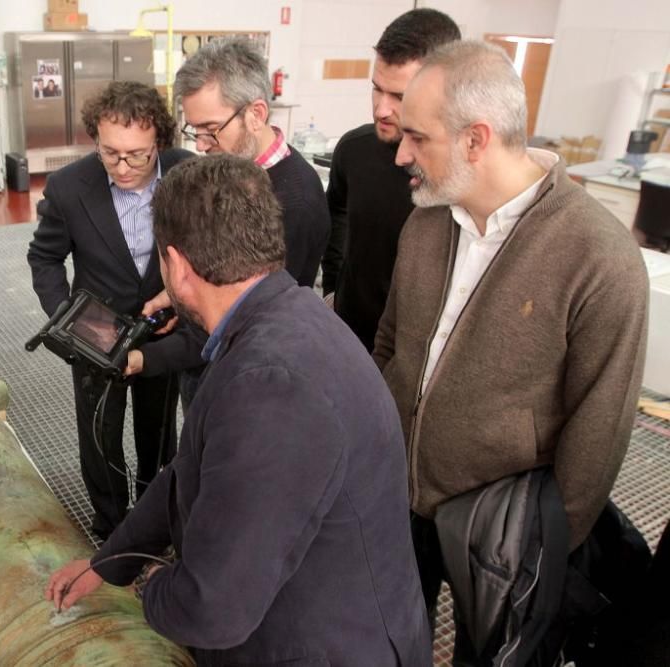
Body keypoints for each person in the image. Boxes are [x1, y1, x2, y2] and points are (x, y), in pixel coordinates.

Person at [46, 154, 430, 666]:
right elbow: (191, 471)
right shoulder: (284, 316)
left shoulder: (273, 386)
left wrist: (154, 588)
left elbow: (214, 609)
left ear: (177, 267)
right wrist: (109, 561)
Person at [373, 40, 648, 656]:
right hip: (399, 499)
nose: (401, 154)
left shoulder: (597, 257)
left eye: (418, 137)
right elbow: (391, 343)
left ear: (476, 139)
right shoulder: (424, 223)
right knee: (389, 640)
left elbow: (599, 433)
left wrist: (539, 553)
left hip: (498, 534)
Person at [27, 81, 191, 540]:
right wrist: (70, 321)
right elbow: (44, 258)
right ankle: (111, 523)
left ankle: (155, 516)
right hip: (94, 335)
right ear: (95, 141)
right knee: (100, 437)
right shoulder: (68, 187)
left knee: (158, 433)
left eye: (136, 155)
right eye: (109, 153)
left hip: (163, 329)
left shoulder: (186, 173)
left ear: (159, 140)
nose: (122, 167)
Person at [125, 37, 331, 391]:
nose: (201, 145)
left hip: (238, 377)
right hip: (205, 358)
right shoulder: (235, 173)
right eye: (195, 130)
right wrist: (176, 295)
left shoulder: (293, 202)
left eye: (211, 130)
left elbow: (248, 318)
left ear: (256, 114)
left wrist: (149, 359)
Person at [320, 8, 460, 352]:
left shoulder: (459, 177)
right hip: (347, 335)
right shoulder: (354, 150)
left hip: (411, 357)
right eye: (376, 89)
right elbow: (335, 212)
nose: (382, 108)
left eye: (399, 96)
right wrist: (334, 288)